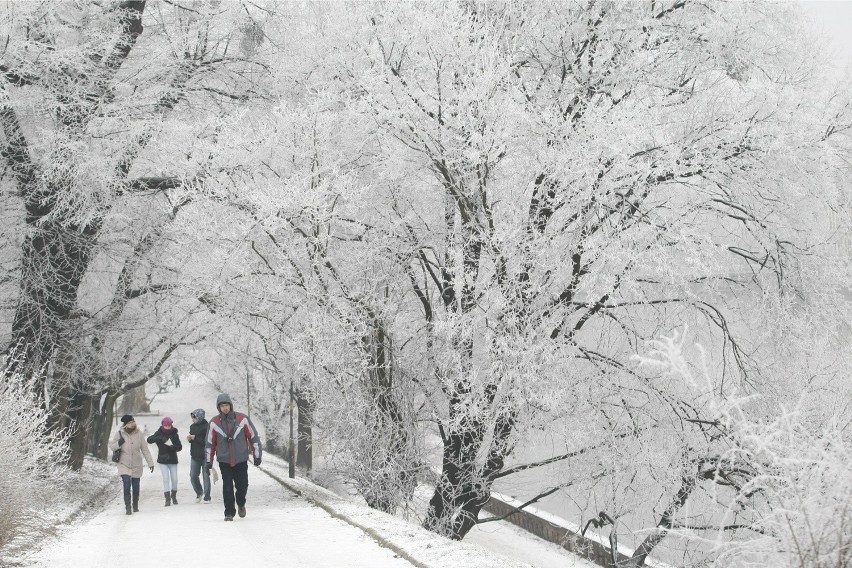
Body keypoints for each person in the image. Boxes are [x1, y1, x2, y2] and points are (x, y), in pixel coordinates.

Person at [205, 394, 262, 521]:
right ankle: (229, 512)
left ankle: (241, 503)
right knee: (227, 486)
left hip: (240, 459)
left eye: (226, 405)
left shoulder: (242, 419)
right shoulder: (214, 423)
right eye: (222, 406)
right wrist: (209, 461)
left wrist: (257, 455)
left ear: (231, 405)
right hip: (224, 460)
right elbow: (210, 443)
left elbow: (253, 437)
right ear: (219, 408)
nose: (225, 408)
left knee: (242, 485)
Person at [108, 415, 155, 515]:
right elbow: (112, 447)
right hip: (123, 463)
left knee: (136, 485)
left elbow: (145, 450)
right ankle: (128, 507)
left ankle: (135, 505)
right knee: (126, 483)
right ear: (125, 425)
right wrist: (118, 443)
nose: (132, 424)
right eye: (129, 422)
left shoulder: (139, 434)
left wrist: (150, 463)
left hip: (137, 464)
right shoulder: (119, 434)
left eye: (133, 422)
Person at [147, 416, 183, 506]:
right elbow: (149, 440)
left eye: (169, 425)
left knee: (174, 479)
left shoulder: (174, 434)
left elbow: (179, 447)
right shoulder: (159, 433)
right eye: (166, 425)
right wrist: (159, 438)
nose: (167, 427)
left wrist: (172, 447)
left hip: (173, 459)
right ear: (162, 425)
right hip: (162, 459)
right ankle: (167, 499)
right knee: (166, 479)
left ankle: (173, 495)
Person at [187, 408, 212, 503]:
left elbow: (206, 442)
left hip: (205, 455)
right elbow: (194, 441)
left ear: (199, 417)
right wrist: (190, 439)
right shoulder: (192, 427)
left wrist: (195, 438)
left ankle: (207, 496)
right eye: (192, 418)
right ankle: (199, 492)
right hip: (195, 455)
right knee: (193, 475)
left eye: (194, 417)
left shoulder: (207, 427)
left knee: (206, 476)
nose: (192, 419)